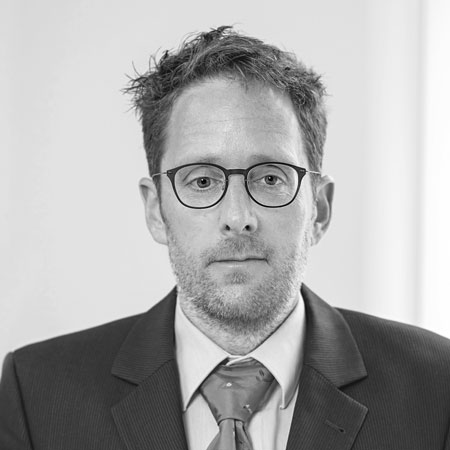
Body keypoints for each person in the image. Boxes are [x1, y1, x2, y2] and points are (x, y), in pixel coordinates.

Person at [1, 26, 449, 450]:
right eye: (202, 181)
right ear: (156, 209)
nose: (238, 217)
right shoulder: (36, 393)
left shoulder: (437, 387)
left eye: (270, 178)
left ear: (319, 207)